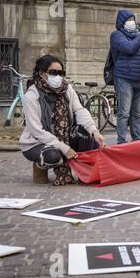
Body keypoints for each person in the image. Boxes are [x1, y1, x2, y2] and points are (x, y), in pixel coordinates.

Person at [20, 55, 105, 185]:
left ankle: (84, 172)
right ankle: (39, 166)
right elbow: (37, 131)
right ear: (41, 73)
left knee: (86, 134)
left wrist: (94, 131)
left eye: (61, 73)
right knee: (53, 156)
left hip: (64, 135)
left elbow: (80, 110)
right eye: (53, 73)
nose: (58, 77)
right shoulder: (31, 96)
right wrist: (64, 148)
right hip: (36, 142)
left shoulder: (67, 89)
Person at [110, 9, 140, 144]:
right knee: (124, 113)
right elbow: (129, 48)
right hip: (124, 79)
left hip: (139, 79)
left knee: (137, 113)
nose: (131, 22)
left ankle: (137, 139)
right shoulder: (116, 35)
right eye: (128, 20)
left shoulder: (139, 35)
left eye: (132, 19)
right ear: (121, 22)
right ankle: (121, 141)